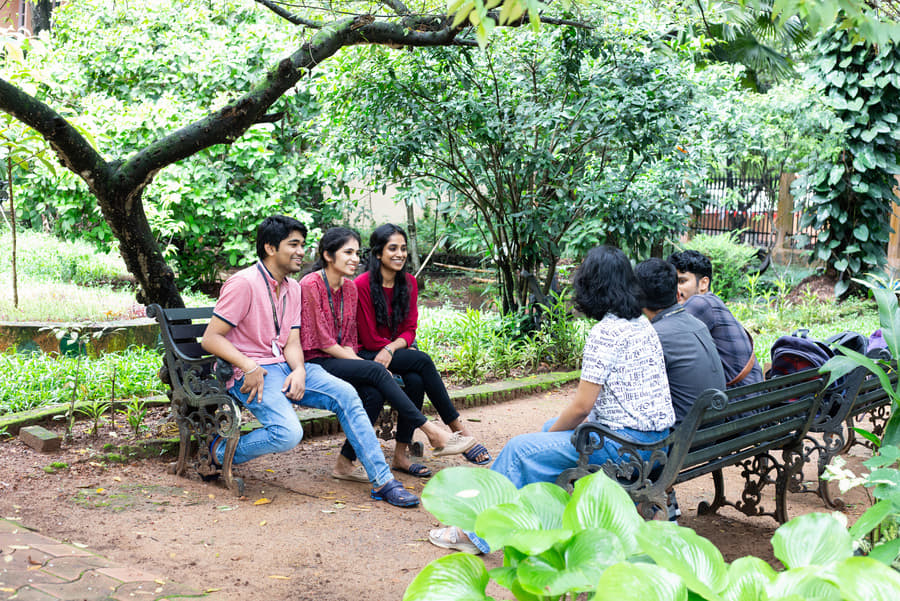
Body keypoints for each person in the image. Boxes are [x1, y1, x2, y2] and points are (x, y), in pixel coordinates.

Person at [428, 246, 674, 554]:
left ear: (591, 285)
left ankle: (474, 533)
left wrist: (549, 435)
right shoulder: (641, 323)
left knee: (520, 450)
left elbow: (581, 408)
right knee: (546, 431)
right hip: (656, 445)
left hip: (624, 449)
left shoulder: (606, 332)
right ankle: (537, 520)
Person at [200, 215, 419, 508]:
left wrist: (300, 369)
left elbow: (292, 340)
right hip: (250, 372)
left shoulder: (292, 287)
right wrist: (249, 366)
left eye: (302, 244)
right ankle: (220, 451)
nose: (301, 251)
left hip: (286, 366)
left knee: (347, 394)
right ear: (270, 248)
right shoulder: (243, 283)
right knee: (289, 433)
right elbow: (211, 338)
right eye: (293, 244)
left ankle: (383, 481)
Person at [299, 227, 476, 482]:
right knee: (403, 365)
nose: (354, 259)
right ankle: (434, 432)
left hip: (345, 358)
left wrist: (375, 361)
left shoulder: (349, 288)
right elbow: (324, 343)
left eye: (356, 253)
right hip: (315, 361)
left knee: (377, 392)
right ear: (328, 255)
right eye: (348, 253)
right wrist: (371, 366)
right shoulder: (311, 284)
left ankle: (344, 463)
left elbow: (349, 341)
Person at [355, 223, 491, 475]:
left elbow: (409, 330)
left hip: (393, 352)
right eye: (392, 248)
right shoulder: (361, 284)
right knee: (423, 360)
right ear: (378, 253)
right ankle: (460, 431)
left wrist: (392, 348)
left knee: (416, 381)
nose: (400, 254)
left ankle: (400, 456)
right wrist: (390, 349)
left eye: (403, 248)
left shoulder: (408, 283)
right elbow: (369, 338)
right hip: (367, 354)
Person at [635, 258, 726, 522]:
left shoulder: (655, 335)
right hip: (711, 434)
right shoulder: (696, 324)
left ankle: (656, 508)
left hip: (681, 443)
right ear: (675, 293)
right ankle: (666, 504)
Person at [668, 250, 763, 388]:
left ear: (703, 283)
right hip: (746, 396)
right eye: (672, 282)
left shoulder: (701, 303)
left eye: (682, 281)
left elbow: (664, 338)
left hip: (740, 398)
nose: (675, 289)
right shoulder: (712, 303)